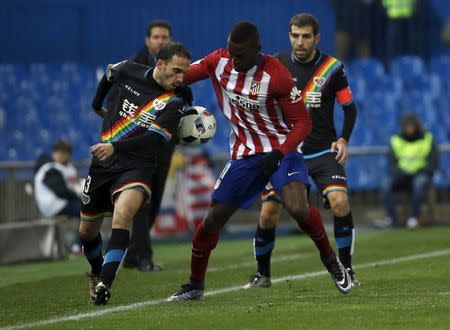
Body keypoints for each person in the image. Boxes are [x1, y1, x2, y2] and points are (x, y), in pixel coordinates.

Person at [168, 21, 352, 302]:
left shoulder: (276, 74)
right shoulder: (219, 61)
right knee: (213, 218)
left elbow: (302, 123)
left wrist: (279, 153)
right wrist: (166, 83)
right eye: (231, 51)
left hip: (283, 149)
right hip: (244, 153)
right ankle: (195, 285)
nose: (234, 58)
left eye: (240, 54)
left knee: (297, 208)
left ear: (257, 50)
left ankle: (331, 261)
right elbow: (180, 78)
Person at [245, 13, 360, 289]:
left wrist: (343, 140)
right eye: (295, 35)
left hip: (321, 151)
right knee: (268, 211)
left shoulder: (333, 68)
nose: (300, 41)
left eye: (306, 36)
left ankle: (347, 268)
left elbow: (349, 107)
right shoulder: (276, 64)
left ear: (317, 38)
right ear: (289, 36)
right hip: (286, 153)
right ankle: (263, 275)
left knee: (340, 203)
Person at [79, 41, 192, 305]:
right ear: (160, 65)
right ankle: (97, 272)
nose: (181, 78)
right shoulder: (129, 70)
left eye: (184, 72)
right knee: (86, 231)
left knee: (123, 215)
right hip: (103, 164)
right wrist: (97, 104)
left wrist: (115, 146)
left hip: (138, 165)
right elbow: (109, 75)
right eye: (176, 71)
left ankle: (105, 284)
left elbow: (153, 141)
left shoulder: (175, 102)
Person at [123, 19, 173, 272]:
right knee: (142, 200)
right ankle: (144, 256)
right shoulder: (132, 67)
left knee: (155, 200)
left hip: (164, 145)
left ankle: (134, 254)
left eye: (165, 37)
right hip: (138, 146)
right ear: (147, 40)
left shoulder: (177, 70)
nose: (161, 41)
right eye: (156, 37)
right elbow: (114, 104)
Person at [376, 112, 438, 229]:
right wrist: (400, 173)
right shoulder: (395, 140)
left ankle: (413, 219)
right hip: (402, 175)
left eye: (411, 126)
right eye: (406, 126)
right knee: (385, 185)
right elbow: (392, 163)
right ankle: (393, 219)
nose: (409, 129)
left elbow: (433, 162)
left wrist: (421, 171)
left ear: (416, 126)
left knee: (419, 183)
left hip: (421, 174)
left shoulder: (428, 138)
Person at [34, 140, 81, 219]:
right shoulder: (50, 169)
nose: (59, 155)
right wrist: (79, 198)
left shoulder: (69, 167)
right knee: (88, 209)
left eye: (63, 153)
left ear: (69, 154)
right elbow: (61, 192)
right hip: (54, 206)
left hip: (64, 203)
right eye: (57, 152)